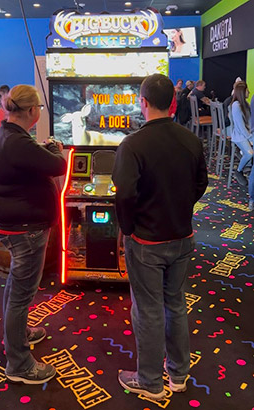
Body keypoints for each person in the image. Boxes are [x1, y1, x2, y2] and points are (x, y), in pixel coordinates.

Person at [112, 73, 208, 400]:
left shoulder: (132, 144)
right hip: (182, 236)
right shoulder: (192, 140)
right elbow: (200, 185)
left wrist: (127, 230)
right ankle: (179, 375)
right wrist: (177, 208)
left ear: (142, 102)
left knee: (149, 310)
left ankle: (150, 381)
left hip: (146, 242)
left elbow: (124, 195)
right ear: (172, 103)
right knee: (176, 305)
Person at [0, 84, 67, 384]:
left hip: (14, 223)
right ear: (32, 111)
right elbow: (58, 165)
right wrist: (57, 150)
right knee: (21, 294)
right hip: (25, 229)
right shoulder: (16, 142)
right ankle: (19, 364)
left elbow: (30, 160)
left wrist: (44, 150)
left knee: (15, 288)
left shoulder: (6, 133)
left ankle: (18, 335)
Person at [229, 81, 254, 201]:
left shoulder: (246, 104)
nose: (249, 92)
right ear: (242, 92)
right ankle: (238, 171)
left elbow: (249, 123)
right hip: (239, 136)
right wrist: (250, 139)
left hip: (246, 134)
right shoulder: (236, 106)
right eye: (247, 90)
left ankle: (248, 168)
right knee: (250, 153)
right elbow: (241, 127)